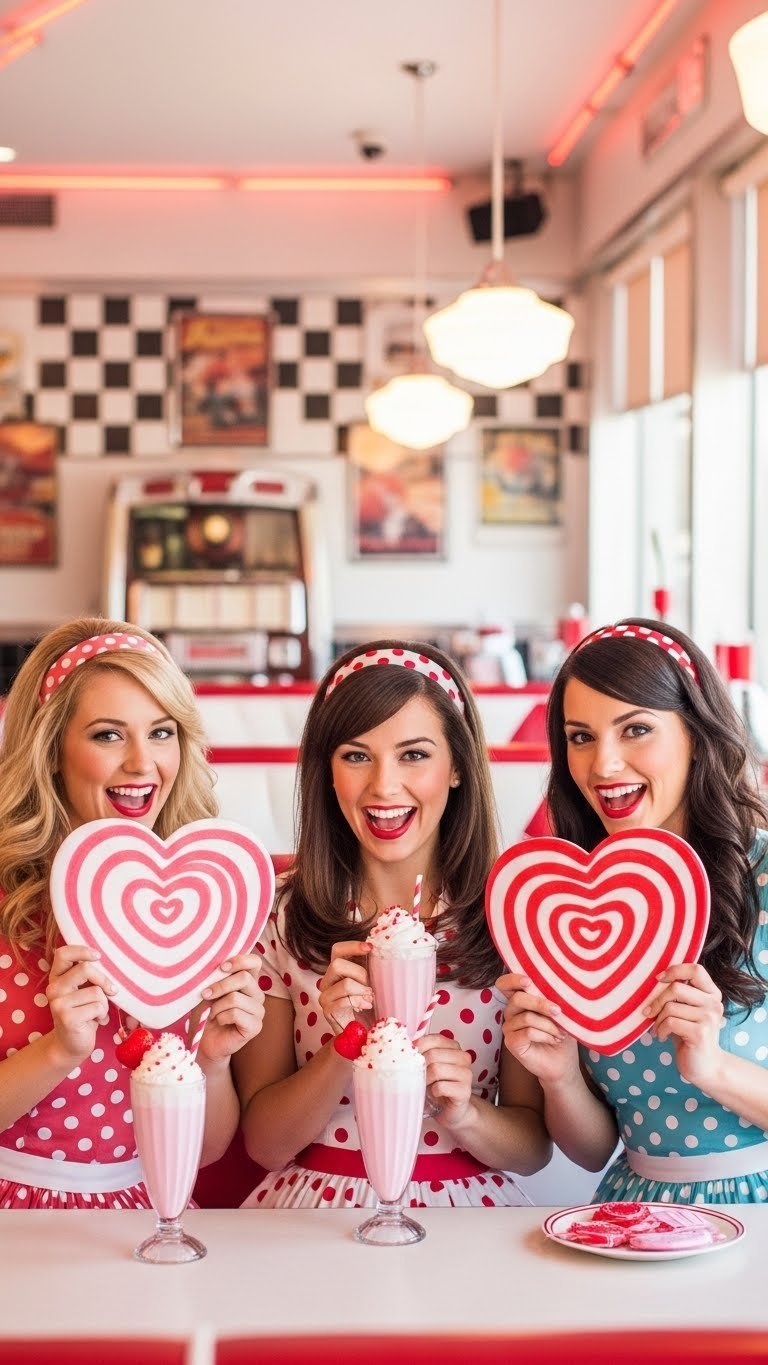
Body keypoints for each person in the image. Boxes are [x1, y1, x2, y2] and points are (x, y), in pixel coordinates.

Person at [235, 640, 551, 1208]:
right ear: (326, 771)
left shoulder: (507, 917)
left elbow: (532, 1148)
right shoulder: (281, 918)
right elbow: (264, 1143)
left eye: (414, 755)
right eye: (356, 756)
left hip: (465, 1214)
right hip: (313, 1213)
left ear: (457, 767)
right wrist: (345, 1046)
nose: (383, 785)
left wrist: (466, 1111)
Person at [501, 618, 768, 1205]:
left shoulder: (764, 873)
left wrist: (712, 1067)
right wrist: (561, 1075)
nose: (604, 766)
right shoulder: (572, 910)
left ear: (697, 732)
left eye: (636, 729)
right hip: (632, 1213)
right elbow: (595, 1150)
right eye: (580, 737)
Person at [0, 616, 265, 1209]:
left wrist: (215, 1059)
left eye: (162, 732)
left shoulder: (205, 908)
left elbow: (207, 1150)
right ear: (51, 752)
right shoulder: (8, 903)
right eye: (108, 735)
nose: (143, 764)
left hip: (145, 1211)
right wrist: (59, 1049)